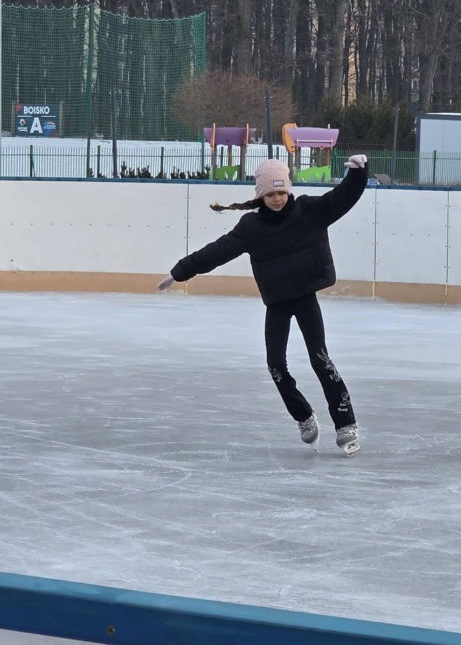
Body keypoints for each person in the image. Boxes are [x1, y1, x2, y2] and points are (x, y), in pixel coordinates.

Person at [157, 154, 369, 457]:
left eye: (282, 192)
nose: (278, 199)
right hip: (278, 302)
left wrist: (359, 174)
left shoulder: (309, 211)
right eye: (271, 194)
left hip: (305, 297)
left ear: (289, 190)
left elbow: (343, 198)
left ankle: (346, 423)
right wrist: (179, 272)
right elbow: (217, 251)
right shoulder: (252, 227)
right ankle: (304, 416)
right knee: (275, 364)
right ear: (261, 196)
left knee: (320, 359)